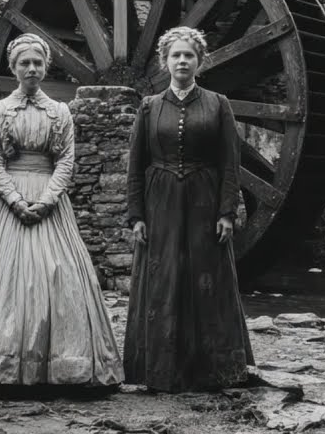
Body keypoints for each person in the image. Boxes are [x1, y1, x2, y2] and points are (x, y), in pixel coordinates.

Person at [0, 33, 122, 388]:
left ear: (45, 67)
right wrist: (16, 200)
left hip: (50, 200)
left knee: (58, 274)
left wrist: (47, 199)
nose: (31, 68)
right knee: (5, 278)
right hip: (9, 202)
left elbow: (65, 160)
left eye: (37, 62)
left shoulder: (60, 112)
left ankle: (63, 368)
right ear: (13, 68)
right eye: (24, 63)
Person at [123, 26, 253, 392]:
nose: (182, 61)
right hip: (160, 202)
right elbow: (136, 165)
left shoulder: (218, 104)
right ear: (165, 62)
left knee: (206, 280)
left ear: (199, 61)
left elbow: (230, 164)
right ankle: (159, 371)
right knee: (162, 280)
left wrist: (227, 212)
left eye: (189, 55)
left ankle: (210, 370)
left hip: (204, 201)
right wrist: (136, 215)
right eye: (176, 55)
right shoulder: (149, 106)